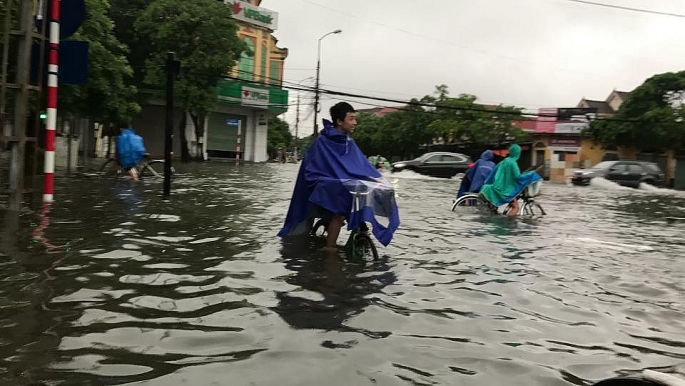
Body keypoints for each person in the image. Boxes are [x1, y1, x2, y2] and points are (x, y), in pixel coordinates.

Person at [278, 102, 400, 251]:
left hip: (343, 182)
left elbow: (360, 165)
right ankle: (330, 249)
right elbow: (311, 169)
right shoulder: (322, 142)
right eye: (351, 118)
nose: (355, 122)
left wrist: (379, 179)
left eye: (355, 118)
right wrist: (337, 177)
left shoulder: (349, 142)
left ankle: (359, 231)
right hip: (322, 183)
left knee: (371, 190)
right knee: (339, 210)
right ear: (339, 121)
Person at [479, 144, 540, 217]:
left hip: (498, 188)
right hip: (506, 191)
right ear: (518, 153)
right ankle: (507, 223)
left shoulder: (504, 161)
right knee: (516, 208)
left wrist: (487, 182)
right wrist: (531, 175)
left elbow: (493, 173)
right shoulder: (513, 163)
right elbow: (518, 177)